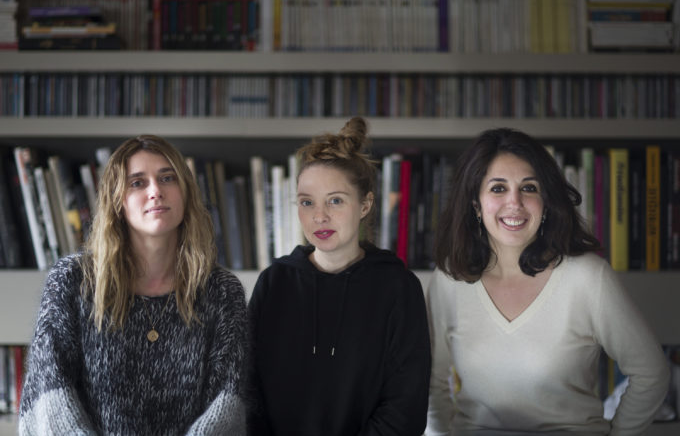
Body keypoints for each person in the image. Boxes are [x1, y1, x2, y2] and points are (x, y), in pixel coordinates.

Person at [425, 128, 670, 435]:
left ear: (545, 202)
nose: (514, 202)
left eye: (529, 188)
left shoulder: (588, 277)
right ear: (476, 205)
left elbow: (651, 373)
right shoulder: (450, 279)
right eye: (498, 189)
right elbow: (430, 383)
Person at [19, 135, 248, 435]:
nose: (156, 191)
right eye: (137, 182)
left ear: (186, 192)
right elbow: (50, 397)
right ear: (117, 201)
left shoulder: (221, 291)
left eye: (168, 178)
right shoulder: (72, 281)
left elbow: (227, 404)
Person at [247, 117, 431, 435]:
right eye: (307, 202)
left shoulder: (398, 287)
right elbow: (247, 391)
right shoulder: (274, 283)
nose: (320, 216)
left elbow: (406, 407)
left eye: (335, 200)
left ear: (365, 205)